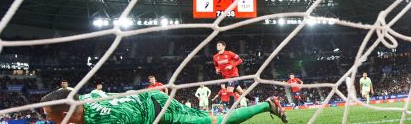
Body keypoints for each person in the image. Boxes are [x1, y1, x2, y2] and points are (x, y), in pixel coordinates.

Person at [40, 87, 288, 124]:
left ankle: (267, 104)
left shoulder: (111, 120)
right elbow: (95, 91)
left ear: (65, 113)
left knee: (209, 122)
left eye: (50, 118)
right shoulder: (84, 99)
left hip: (157, 109)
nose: (49, 120)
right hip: (140, 97)